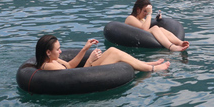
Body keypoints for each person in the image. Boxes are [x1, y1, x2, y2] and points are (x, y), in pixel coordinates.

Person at [34, 35, 170, 72]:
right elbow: (73, 77)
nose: (60, 51)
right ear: (48, 52)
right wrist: (90, 61)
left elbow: (69, 67)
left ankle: (145, 64)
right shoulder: (50, 66)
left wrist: (85, 49)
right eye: (57, 49)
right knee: (115, 54)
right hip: (85, 79)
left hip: (84, 73)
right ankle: (152, 68)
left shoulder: (52, 61)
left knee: (111, 51)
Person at [125, 0, 189, 51]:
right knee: (155, 28)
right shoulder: (130, 18)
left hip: (143, 36)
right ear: (138, 10)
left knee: (160, 29)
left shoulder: (142, 20)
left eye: (147, 11)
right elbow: (144, 29)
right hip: (136, 38)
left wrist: (156, 19)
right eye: (145, 11)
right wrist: (149, 14)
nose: (146, 14)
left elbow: (148, 26)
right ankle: (172, 47)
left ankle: (180, 42)